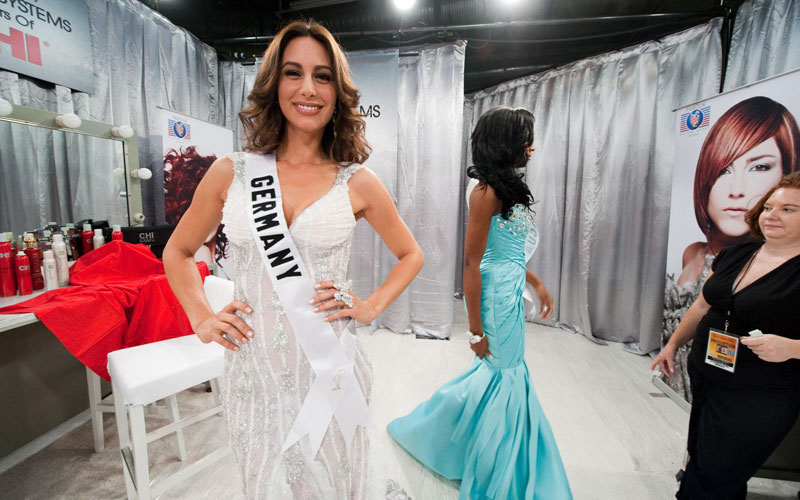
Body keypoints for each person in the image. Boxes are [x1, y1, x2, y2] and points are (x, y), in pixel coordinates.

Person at [163, 20, 424, 499]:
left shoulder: (357, 182)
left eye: (323, 76)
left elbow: (411, 254)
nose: (308, 88)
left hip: (330, 370)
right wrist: (200, 316)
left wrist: (368, 307)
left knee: (336, 485)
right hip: (253, 373)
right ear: (273, 85)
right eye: (293, 73)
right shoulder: (232, 173)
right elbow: (177, 252)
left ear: (337, 92)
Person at [387, 107, 572, 500]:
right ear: (506, 142)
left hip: (510, 290)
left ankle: (473, 445)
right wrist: (474, 329)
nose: (532, 146)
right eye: (526, 138)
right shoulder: (485, 193)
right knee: (503, 372)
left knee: (503, 373)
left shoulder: (506, 188)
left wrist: (535, 282)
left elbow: (509, 251)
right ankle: (496, 472)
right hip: (495, 300)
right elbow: (473, 262)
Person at [653, 171, 800, 500]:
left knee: (718, 473)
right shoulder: (739, 253)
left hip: (761, 390)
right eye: (768, 207)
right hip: (708, 373)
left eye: (789, 209)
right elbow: (703, 305)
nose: (772, 215)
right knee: (702, 459)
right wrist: (673, 345)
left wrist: (793, 347)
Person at [678, 96, 800, 286]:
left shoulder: (784, 268)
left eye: (760, 167)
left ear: (787, 171)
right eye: (723, 170)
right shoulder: (693, 253)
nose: (736, 190)